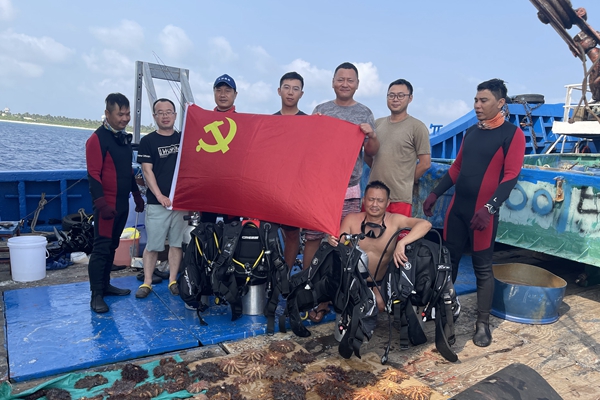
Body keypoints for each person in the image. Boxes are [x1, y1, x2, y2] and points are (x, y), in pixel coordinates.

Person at [422, 78, 525, 347]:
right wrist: (435, 193)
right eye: (476, 100)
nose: (477, 105)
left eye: (483, 100)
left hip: (483, 215)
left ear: (500, 103)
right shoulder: (471, 132)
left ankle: (482, 323)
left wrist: (489, 208)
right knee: (449, 263)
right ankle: (445, 310)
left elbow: (511, 176)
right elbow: (457, 168)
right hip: (457, 210)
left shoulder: (512, 134)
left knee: (482, 269)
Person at [307, 62, 380, 322]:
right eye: (341, 79)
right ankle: (311, 293)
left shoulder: (364, 113)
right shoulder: (321, 110)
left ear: (357, 84)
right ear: (333, 82)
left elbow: (372, 152)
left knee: (342, 243)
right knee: (313, 240)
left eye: (350, 80)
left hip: (349, 188)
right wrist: (312, 127)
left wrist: (371, 136)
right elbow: (308, 147)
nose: (345, 84)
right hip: (321, 187)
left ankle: (336, 295)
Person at [327, 180, 432, 312]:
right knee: (348, 304)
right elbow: (339, 246)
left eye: (380, 200)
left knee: (380, 304)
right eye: (371, 199)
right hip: (353, 279)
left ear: (387, 203)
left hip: (379, 281)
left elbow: (425, 225)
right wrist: (332, 240)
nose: (375, 204)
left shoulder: (395, 220)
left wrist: (402, 243)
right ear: (364, 200)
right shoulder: (351, 219)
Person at [85, 93, 145, 313]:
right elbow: (93, 174)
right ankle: (96, 295)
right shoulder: (96, 139)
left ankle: (106, 285)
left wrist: (136, 195)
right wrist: (101, 204)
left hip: (122, 204)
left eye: (127, 114)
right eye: (120, 114)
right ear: (107, 113)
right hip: (106, 205)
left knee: (112, 246)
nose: (125, 118)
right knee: (101, 248)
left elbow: (127, 171)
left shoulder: (123, 139)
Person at [135, 98, 187, 299]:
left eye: (169, 112)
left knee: (176, 243)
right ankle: (147, 282)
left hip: (180, 203)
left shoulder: (184, 138)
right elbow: (147, 171)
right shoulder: (148, 141)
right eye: (161, 113)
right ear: (155, 116)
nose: (165, 116)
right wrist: (159, 195)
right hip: (158, 203)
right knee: (153, 245)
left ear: (175, 115)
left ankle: (173, 279)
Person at [366, 79, 431, 216]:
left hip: (399, 199)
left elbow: (425, 163)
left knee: (398, 231)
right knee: (367, 230)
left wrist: (406, 180)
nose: (395, 99)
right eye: (391, 95)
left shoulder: (417, 127)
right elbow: (367, 155)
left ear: (410, 98)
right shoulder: (377, 124)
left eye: (401, 96)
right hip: (373, 197)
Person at [273, 71, 306, 268]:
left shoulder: (310, 122)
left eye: (295, 89)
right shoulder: (269, 122)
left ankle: (285, 275)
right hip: (271, 187)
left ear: (301, 93)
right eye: (286, 87)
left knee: (293, 234)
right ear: (279, 91)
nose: (290, 92)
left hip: (294, 188)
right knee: (267, 232)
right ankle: (268, 274)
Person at [201, 74, 240, 224]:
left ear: (235, 94)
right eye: (219, 90)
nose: (223, 94)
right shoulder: (201, 120)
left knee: (232, 230)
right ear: (214, 92)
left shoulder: (246, 123)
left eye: (227, 91)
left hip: (233, 188)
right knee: (206, 229)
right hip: (208, 187)